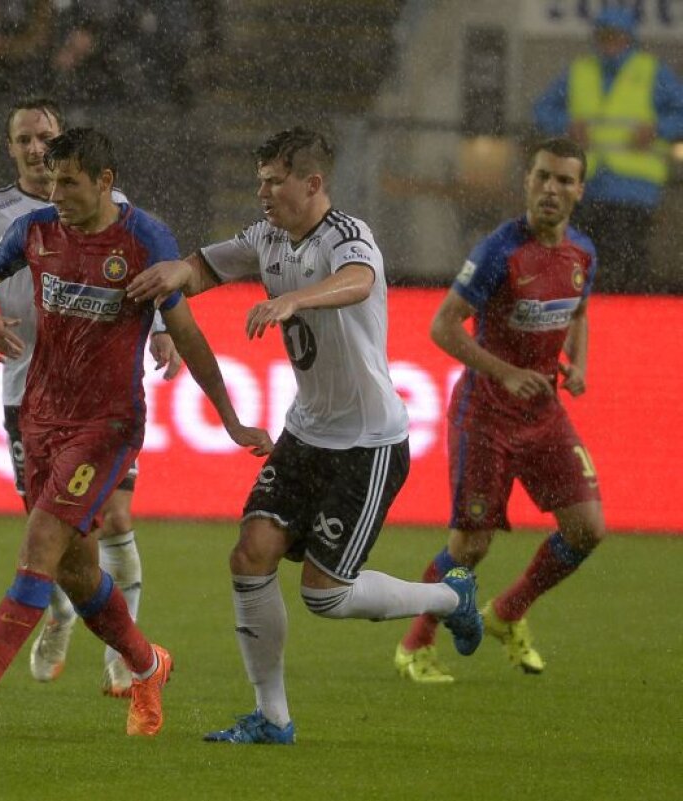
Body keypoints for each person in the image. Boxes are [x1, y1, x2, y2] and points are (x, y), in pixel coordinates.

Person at [0, 127, 272, 737]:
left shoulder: (143, 238)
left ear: (105, 182)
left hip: (105, 426)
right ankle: (147, 663)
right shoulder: (35, 233)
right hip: (40, 416)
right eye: (52, 180)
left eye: (69, 181)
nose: (55, 192)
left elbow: (185, 332)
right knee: (75, 572)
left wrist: (231, 417)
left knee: (40, 544)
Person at [126, 126, 484, 745]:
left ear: (312, 183)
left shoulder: (349, 237)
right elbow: (205, 267)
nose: (262, 192)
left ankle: (450, 598)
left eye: (274, 180)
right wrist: (169, 286)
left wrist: (295, 301)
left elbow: (359, 282)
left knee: (325, 595)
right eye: (259, 179)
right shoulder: (266, 238)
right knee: (250, 555)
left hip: (368, 444)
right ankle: (272, 718)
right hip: (306, 433)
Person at [0, 97, 181, 699]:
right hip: (28, 392)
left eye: (44, 137)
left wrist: (161, 331)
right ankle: (66, 616)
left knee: (107, 519)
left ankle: (125, 664)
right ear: (11, 148)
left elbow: (136, 278)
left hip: (101, 399)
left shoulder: (104, 209)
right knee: (62, 547)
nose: (35, 149)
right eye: (23, 140)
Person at [393, 137, 605, 684]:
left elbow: (578, 314)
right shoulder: (500, 251)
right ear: (527, 183)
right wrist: (506, 372)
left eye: (563, 180)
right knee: (471, 547)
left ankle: (508, 613)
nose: (550, 190)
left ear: (580, 190)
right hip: (485, 416)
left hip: (543, 415)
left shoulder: (581, 251)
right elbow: (442, 326)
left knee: (588, 529)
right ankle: (414, 644)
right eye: (541, 178)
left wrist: (576, 365)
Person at [533, 7, 683, 294]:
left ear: (630, 39)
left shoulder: (650, 71)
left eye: (617, 37)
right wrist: (567, 125)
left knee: (627, 260)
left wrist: (657, 129)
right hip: (587, 185)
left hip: (635, 187)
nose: (610, 44)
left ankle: (625, 313)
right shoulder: (580, 71)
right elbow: (542, 110)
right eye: (604, 37)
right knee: (583, 260)